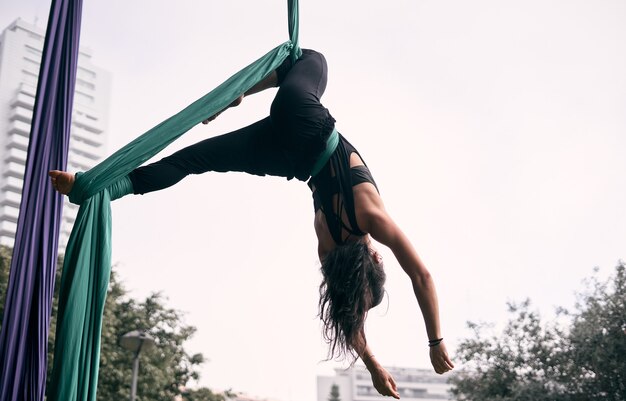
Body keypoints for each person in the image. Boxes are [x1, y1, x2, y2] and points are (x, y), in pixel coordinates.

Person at [50, 49, 454, 398]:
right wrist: (372, 366)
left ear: (373, 258)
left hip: (303, 118)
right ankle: (106, 186)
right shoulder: (328, 245)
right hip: (287, 160)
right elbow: (350, 321)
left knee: (311, 58)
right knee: (197, 160)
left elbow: (421, 275)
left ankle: (242, 92)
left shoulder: (370, 216)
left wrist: (435, 341)